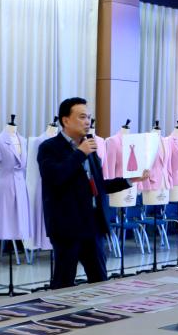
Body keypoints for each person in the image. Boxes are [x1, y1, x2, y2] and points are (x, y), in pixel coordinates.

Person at [37, 98, 147, 289]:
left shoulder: (90, 147)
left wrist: (130, 180)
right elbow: (55, 178)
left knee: (100, 280)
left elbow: (99, 185)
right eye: (82, 117)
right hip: (67, 226)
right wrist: (80, 153)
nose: (87, 121)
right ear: (65, 120)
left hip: (93, 224)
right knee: (64, 282)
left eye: (89, 117)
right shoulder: (49, 147)